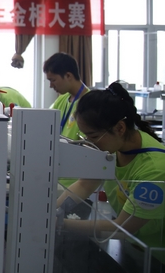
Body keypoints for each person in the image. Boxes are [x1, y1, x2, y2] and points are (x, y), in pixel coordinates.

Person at [56, 82, 165, 260]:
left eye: (93, 136)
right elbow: (84, 184)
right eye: (85, 136)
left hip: (156, 257)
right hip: (132, 247)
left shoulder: (154, 169)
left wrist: (60, 223)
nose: (89, 143)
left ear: (120, 128)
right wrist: (53, 210)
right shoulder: (112, 148)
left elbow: (122, 228)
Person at [42, 53, 90, 140]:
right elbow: (47, 124)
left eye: (53, 80)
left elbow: (86, 143)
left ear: (68, 76)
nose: (51, 86)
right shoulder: (61, 99)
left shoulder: (90, 103)